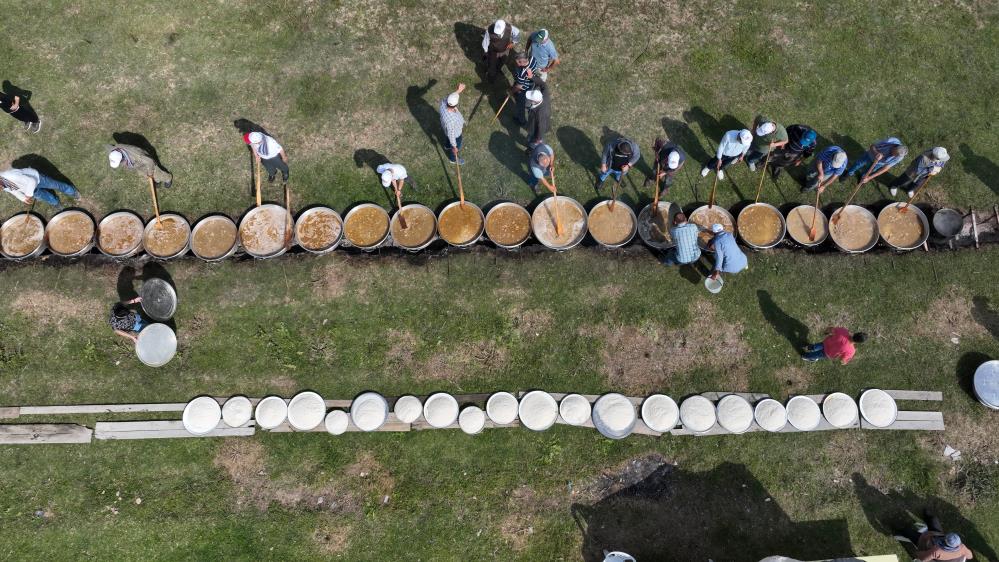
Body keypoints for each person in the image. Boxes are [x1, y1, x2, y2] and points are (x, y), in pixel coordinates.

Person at [893, 511, 975, 561]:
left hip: (926, 545)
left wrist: (917, 552)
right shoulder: (962, 548)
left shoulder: (937, 551)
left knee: (908, 532)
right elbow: (970, 556)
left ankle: (897, 529)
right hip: (937, 537)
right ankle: (927, 516)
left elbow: (923, 558)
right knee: (933, 520)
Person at [0, 167, 79, 209]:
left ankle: (72, 192)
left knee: (55, 185)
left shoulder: (10, 176)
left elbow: (31, 181)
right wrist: (23, 198)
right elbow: (13, 191)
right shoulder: (3, 185)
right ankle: (55, 202)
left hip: (37, 179)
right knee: (43, 196)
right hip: (28, 189)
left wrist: (28, 195)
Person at [841, 136, 907, 185]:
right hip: (870, 155)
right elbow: (872, 146)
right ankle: (848, 173)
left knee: (868, 172)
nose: (892, 155)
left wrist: (869, 178)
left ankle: (862, 177)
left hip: (879, 164)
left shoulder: (899, 157)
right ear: (895, 147)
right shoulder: (890, 141)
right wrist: (876, 153)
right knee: (858, 164)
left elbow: (885, 168)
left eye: (894, 155)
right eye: (893, 152)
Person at [106, 143, 173, 188]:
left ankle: (168, 178)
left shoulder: (137, 155)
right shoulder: (112, 151)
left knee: (156, 173)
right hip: (136, 164)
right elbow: (107, 146)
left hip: (146, 161)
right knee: (144, 174)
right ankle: (156, 181)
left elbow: (150, 161)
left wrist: (150, 173)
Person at [801, 327, 866, 364]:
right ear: (858, 342)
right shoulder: (851, 351)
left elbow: (831, 329)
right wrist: (844, 362)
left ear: (855, 333)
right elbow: (843, 360)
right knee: (816, 355)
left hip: (825, 343)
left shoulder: (843, 331)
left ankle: (808, 347)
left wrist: (826, 332)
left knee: (816, 346)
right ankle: (805, 356)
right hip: (828, 353)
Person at [439, 83, 467, 164]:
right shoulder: (452, 121)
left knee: (447, 136)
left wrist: (459, 90)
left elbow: (449, 98)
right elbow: (452, 135)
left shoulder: (443, 102)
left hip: (446, 129)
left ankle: (447, 146)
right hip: (455, 134)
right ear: (456, 105)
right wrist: (454, 147)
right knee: (454, 143)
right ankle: (453, 159)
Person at [510, 52, 539, 125]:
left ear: (522, 61)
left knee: (520, 105)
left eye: (518, 63)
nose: (517, 64)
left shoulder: (521, 73)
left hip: (524, 89)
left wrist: (512, 91)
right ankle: (528, 105)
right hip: (532, 83)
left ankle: (521, 120)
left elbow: (520, 86)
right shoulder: (532, 59)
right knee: (527, 101)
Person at [524, 81, 550, 150]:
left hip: (535, 131)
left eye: (530, 98)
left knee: (533, 141)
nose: (528, 99)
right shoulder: (544, 96)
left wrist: (538, 139)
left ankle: (532, 148)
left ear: (534, 101)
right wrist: (532, 77)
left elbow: (541, 127)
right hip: (537, 125)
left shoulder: (540, 114)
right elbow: (543, 85)